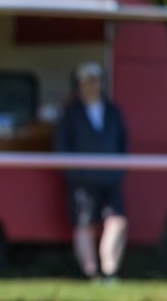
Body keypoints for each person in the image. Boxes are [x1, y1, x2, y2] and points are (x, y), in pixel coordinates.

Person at [55, 62, 129, 282]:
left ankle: (110, 269)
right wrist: (74, 172)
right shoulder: (71, 113)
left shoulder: (113, 111)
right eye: (88, 81)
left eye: (96, 80)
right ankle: (91, 273)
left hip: (110, 177)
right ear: (79, 85)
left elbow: (123, 142)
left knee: (118, 221)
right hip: (82, 179)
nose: (92, 85)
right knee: (84, 225)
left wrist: (119, 169)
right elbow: (62, 144)